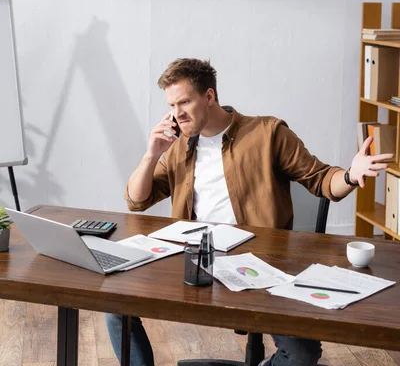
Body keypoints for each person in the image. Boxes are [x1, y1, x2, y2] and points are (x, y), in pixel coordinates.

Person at [105, 58, 392, 366]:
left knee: (302, 352)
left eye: (184, 102)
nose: (177, 114)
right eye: (172, 105)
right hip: (194, 262)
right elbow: (137, 201)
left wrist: (350, 175)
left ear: (209, 96)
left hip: (259, 265)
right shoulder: (179, 145)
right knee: (114, 307)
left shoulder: (268, 133)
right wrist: (152, 153)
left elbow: (322, 179)